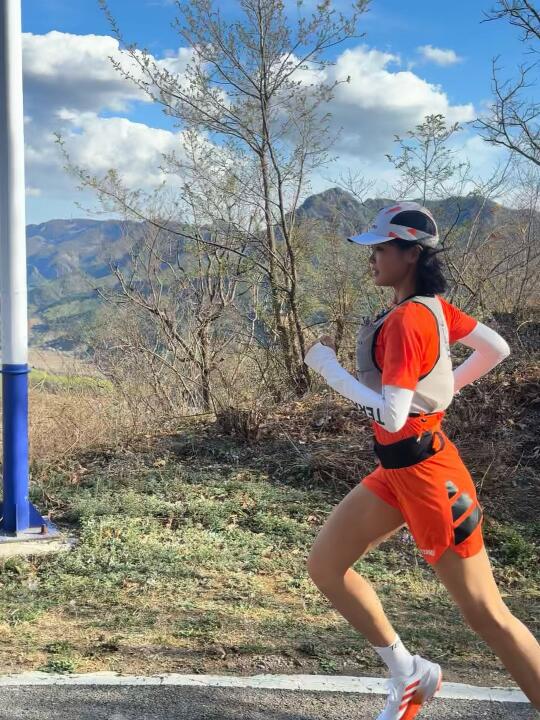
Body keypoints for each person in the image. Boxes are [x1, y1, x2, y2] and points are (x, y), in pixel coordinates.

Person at [303, 201, 540, 720]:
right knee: (326, 566)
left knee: (487, 615)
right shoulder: (432, 309)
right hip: (396, 472)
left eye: (381, 249)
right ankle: (408, 672)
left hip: (431, 479)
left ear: (411, 254)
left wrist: (327, 369)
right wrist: (438, 396)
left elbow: (392, 416)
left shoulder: (412, 319)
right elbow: (495, 348)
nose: (372, 258)